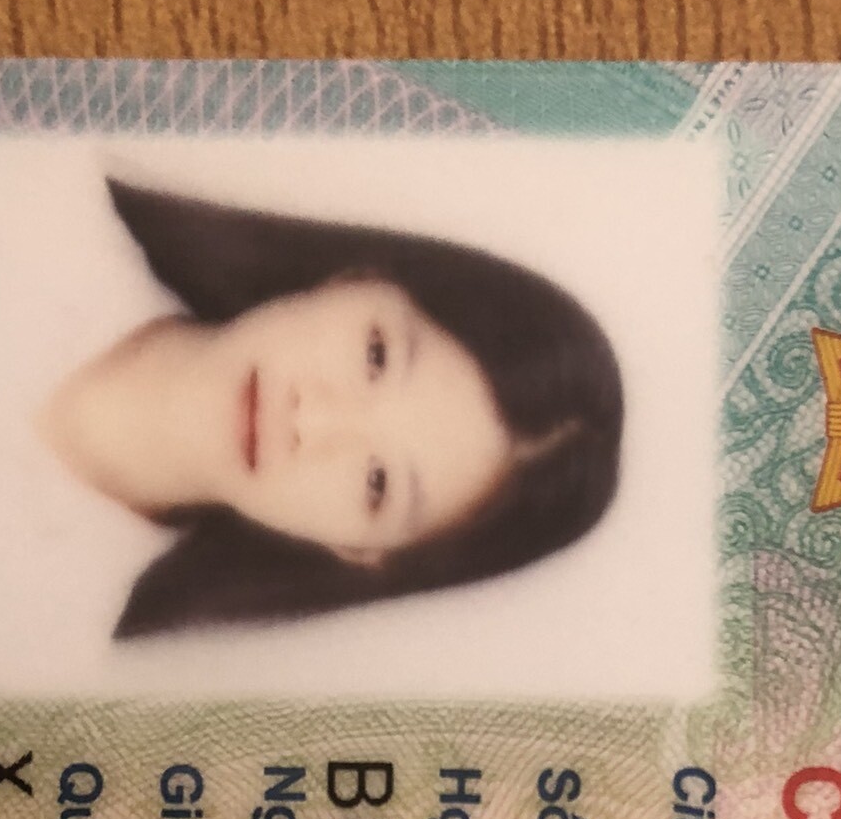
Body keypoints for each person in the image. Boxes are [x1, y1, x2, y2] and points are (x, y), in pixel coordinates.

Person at [39, 180, 626, 639]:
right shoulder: (52, 207)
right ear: (358, 279)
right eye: (376, 356)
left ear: (358, 553)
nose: (313, 421)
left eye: (377, 483)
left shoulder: (82, 660)